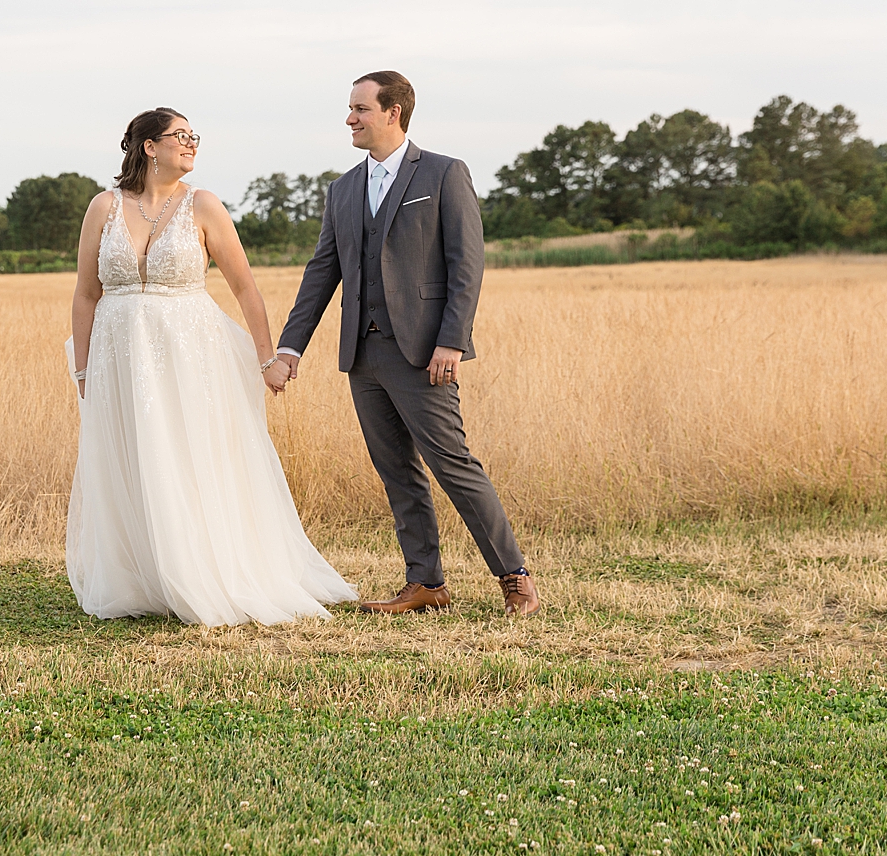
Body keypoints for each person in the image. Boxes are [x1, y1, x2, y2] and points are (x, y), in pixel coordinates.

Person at [65, 107, 357, 627]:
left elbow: (245, 287)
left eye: (194, 136)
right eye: (180, 136)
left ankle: (201, 572)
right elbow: (87, 294)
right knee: (131, 458)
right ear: (149, 146)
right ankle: (144, 576)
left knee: (187, 457)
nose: (191, 144)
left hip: (189, 357)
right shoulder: (103, 207)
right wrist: (84, 370)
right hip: (117, 358)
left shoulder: (203, 205)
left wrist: (269, 358)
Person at [276, 72, 541, 617]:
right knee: (396, 470)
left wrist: (452, 341)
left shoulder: (444, 173)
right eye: (350, 109)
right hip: (363, 354)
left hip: (424, 353)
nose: (350, 118)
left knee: (452, 464)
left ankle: (514, 577)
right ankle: (425, 583)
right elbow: (323, 271)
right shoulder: (342, 189)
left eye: (359, 108)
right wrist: (290, 347)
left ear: (393, 112)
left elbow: (466, 265)